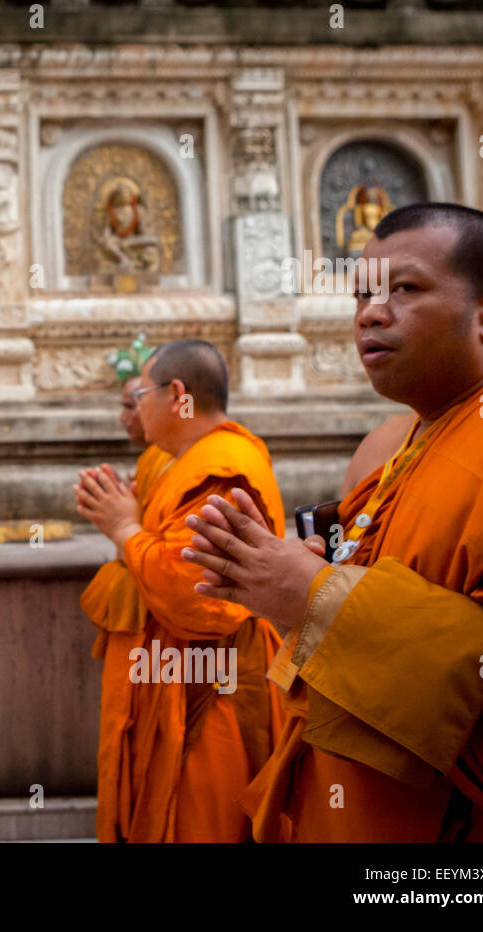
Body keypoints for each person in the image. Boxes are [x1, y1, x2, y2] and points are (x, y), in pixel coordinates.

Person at [184, 203, 483, 841]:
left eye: (404, 289)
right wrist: (294, 592)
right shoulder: (411, 442)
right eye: (362, 295)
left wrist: (314, 595)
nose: (371, 313)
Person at [76, 339, 285, 841]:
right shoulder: (174, 458)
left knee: (200, 821)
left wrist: (124, 529)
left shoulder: (220, 469)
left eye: (141, 394)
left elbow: (197, 600)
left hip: (207, 689)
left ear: (176, 395)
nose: (134, 406)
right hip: (169, 676)